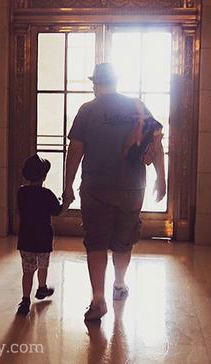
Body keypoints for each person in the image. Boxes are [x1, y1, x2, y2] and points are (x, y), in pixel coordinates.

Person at [63, 63, 167, 321]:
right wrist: (162, 178)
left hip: (96, 187)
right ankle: (119, 285)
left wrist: (67, 184)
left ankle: (98, 299)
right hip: (131, 188)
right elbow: (156, 143)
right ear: (116, 82)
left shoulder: (87, 110)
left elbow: (75, 150)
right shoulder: (137, 107)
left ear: (96, 84)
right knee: (124, 239)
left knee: (96, 241)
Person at [16, 154, 63, 315]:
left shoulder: (21, 193)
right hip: (43, 237)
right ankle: (42, 288)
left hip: (26, 238)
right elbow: (57, 210)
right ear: (44, 176)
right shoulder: (47, 194)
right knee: (43, 265)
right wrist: (66, 201)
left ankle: (25, 300)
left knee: (27, 271)